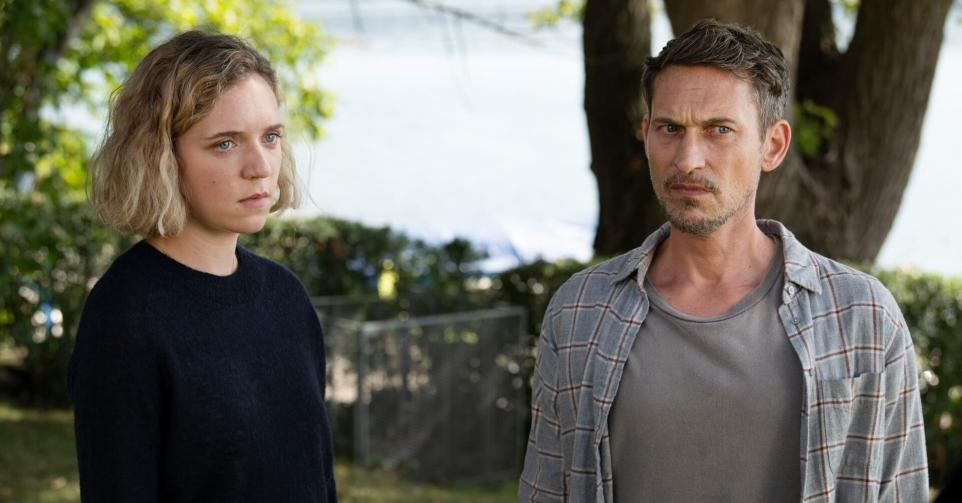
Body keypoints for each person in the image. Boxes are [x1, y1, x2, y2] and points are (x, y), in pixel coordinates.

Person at [519, 19, 927, 503]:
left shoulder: (864, 317)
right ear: (646, 136)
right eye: (670, 128)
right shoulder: (579, 313)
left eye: (719, 130)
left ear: (772, 146)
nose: (688, 159)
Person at [69, 31, 337, 502]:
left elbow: (318, 480)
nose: (260, 166)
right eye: (226, 143)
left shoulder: (286, 297)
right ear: (161, 158)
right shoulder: (125, 316)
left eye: (270, 137)